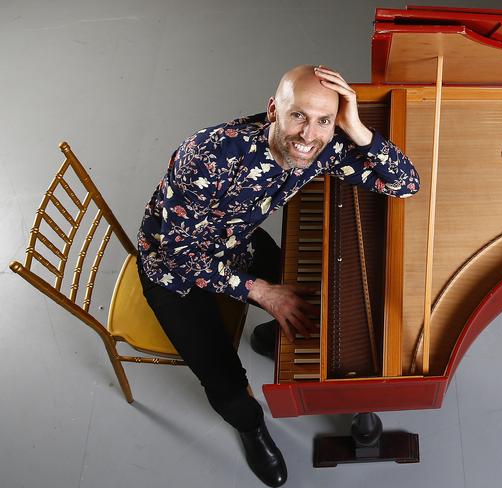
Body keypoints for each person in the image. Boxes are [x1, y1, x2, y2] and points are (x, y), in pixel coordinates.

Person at [136, 65, 420, 487]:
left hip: (236, 245)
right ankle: (251, 427)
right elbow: (179, 256)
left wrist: (356, 127)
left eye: (324, 120)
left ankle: (266, 337)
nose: (309, 135)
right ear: (274, 110)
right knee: (224, 378)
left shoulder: (322, 147)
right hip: (173, 270)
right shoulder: (207, 156)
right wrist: (261, 292)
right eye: (299, 116)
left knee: (318, 289)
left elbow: (405, 184)